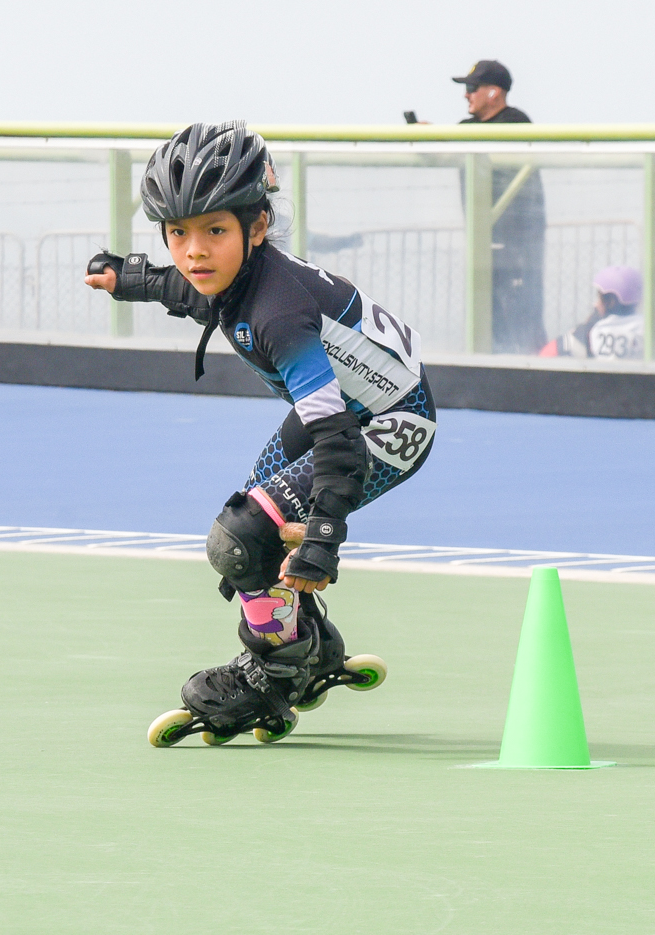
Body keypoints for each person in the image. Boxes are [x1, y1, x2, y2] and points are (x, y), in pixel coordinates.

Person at [83, 122, 433, 747]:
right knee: (251, 523)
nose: (193, 253)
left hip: (387, 424)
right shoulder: (241, 275)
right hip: (345, 411)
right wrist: (128, 279)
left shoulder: (277, 314)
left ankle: (273, 672)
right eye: (177, 233)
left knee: (243, 538)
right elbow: (191, 291)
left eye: (214, 231)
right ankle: (310, 645)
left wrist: (325, 532)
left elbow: (339, 442)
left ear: (259, 227)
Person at [456, 60, 547, 354]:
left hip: (518, 243)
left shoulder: (515, 124)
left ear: (494, 93)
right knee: (486, 308)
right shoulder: (468, 128)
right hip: (485, 239)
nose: (466, 95)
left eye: (472, 88)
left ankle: (533, 364)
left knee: (521, 311)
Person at [540, 266, 655, 360]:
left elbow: (547, 354)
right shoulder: (652, 326)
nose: (596, 304)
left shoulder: (593, 328)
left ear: (611, 302)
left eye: (599, 298)